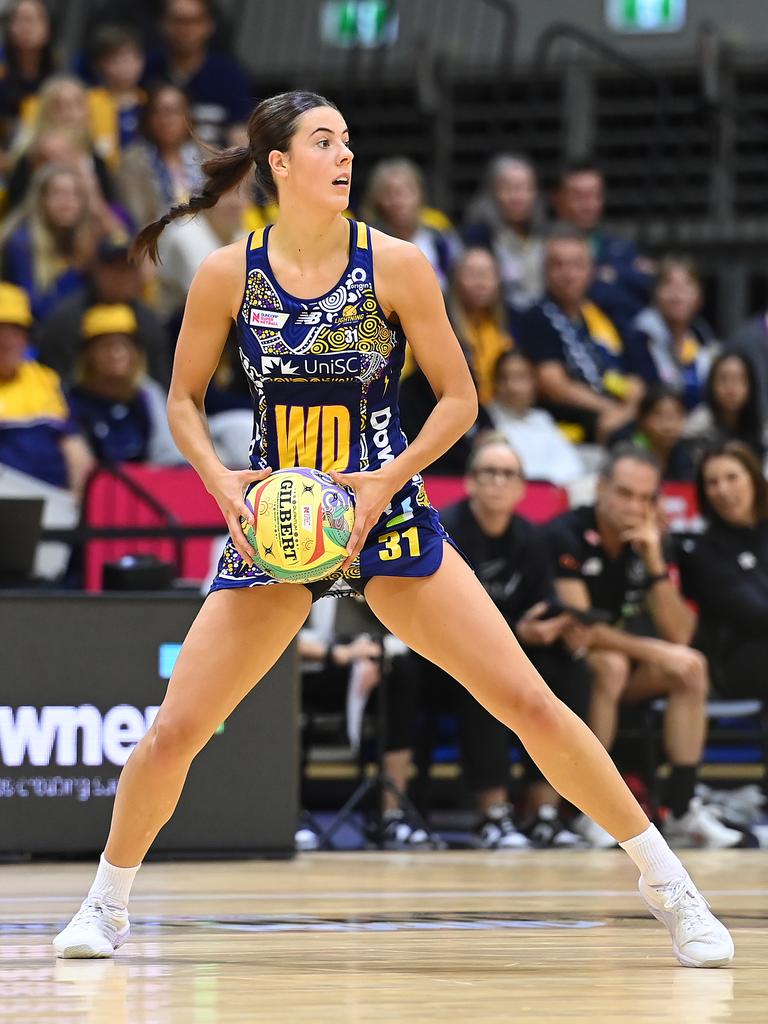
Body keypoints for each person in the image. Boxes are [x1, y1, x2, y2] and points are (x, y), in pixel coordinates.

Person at [52, 91, 733, 968]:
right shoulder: (229, 272)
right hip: (277, 528)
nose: (345, 158)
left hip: (383, 511)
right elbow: (181, 399)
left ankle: (670, 886)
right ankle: (105, 905)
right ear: (279, 167)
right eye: (324, 143)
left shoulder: (398, 264)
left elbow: (460, 398)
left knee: (528, 700)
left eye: (349, 143)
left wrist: (386, 480)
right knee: (175, 731)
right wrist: (221, 481)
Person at [382, 436, 589, 849]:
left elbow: (544, 599)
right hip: (439, 659)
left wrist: (553, 625)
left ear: (520, 487)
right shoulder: (444, 531)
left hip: (510, 647)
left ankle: (544, 810)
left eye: (507, 474)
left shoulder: (531, 539)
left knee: (570, 670)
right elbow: (443, 616)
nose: (497, 482)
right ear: (470, 482)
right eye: (488, 472)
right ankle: (492, 813)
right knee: (483, 677)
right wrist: (518, 631)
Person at [545, 445, 741, 850]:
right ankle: (589, 812)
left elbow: (680, 635)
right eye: (624, 493)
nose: (635, 506)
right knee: (611, 665)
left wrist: (654, 564)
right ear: (600, 488)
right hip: (561, 668)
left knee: (691, 666)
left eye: (646, 498)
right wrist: (655, 652)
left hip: (624, 663)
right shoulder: (565, 533)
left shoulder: (652, 541)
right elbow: (582, 627)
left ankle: (683, 808)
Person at [512, 227, 645, 444]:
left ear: (591, 270)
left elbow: (635, 374)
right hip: (570, 426)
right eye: (558, 265)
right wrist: (612, 410)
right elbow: (554, 385)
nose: (568, 274)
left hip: (618, 414)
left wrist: (627, 408)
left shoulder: (604, 312)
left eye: (577, 266)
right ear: (545, 270)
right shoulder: (534, 317)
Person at [679, 441, 768, 704]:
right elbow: (754, 614)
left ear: (754, 479)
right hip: (736, 659)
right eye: (712, 482)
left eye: (732, 478)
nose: (723, 490)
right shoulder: (702, 551)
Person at [35, 237, 171, 388]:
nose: (120, 276)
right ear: (97, 271)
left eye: (127, 268)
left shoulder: (149, 322)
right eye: (113, 267)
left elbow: (161, 382)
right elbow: (55, 379)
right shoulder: (66, 320)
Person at [0, 282, 94, 495]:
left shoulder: (45, 379)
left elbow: (73, 445)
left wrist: (80, 503)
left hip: (54, 501)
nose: (7, 341)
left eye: (15, 331)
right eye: (0, 331)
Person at [67, 303, 181, 466]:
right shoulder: (73, 399)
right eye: (106, 346)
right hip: (97, 485)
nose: (116, 353)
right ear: (88, 354)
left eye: (124, 345)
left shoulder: (147, 393)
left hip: (144, 483)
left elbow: (167, 453)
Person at [552, 159, 653, 325]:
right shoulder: (544, 246)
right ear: (558, 199)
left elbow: (649, 285)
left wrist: (615, 273)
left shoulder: (620, 247)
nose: (587, 205)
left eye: (594, 195)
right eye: (578, 197)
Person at [0, 164, 104, 321]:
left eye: (75, 194)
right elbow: (35, 311)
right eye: (57, 194)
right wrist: (76, 271)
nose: (66, 202)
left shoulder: (92, 242)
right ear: (41, 200)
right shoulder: (21, 244)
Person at [145, 0, 252, 143]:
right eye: (178, 21)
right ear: (163, 23)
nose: (185, 29)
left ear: (210, 25)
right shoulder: (143, 70)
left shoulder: (230, 76)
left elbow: (241, 133)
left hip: (213, 158)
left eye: (194, 21)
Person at [359, 157, 460, 293]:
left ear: (420, 194)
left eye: (406, 190)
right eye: (389, 192)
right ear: (377, 200)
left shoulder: (439, 238)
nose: (399, 199)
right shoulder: (365, 243)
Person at [484, 350, 585, 486]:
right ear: (494, 383)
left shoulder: (542, 419)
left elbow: (572, 468)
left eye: (520, 377)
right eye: (504, 378)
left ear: (534, 382)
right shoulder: (487, 422)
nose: (512, 387)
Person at [632, 258, 717, 412]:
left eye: (686, 285)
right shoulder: (639, 337)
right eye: (668, 284)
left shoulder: (704, 338)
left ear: (699, 298)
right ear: (655, 293)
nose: (677, 294)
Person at [116, 83, 204, 229]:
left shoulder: (206, 154)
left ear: (188, 115)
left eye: (174, 111)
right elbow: (138, 215)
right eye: (158, 112)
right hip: (158, 237)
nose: (166, 119)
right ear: (147, 118)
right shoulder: (133, 161)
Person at [462, 154, 545, 309]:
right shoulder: (477, 237)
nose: (517, 197)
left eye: (524, 188)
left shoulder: (544, 235)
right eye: (508, 188)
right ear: (492, 192)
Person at [446, 246, 514, 405]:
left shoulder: (506, 327)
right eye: (472, 274)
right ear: (456, 280)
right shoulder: (444, 328)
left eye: (487, 274)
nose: (481, 282)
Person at [685, 350, 767, 464]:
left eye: (739, 379)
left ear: (751, 385)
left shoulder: (762, 429)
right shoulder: (696, 427)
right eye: (723, 379)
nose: (731, 388)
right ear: (711, 385)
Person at [0, 0, 56, 147]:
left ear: (48, 29)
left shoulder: (58, 77)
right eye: (20, 20)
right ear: (10, 28)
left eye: (33, 20)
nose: (27, 27)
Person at [630, 385, 695, 483]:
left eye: (675, 415)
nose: (668, 426)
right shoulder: (628, 454)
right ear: (642, 419)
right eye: (659, 415)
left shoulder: (688, 455)